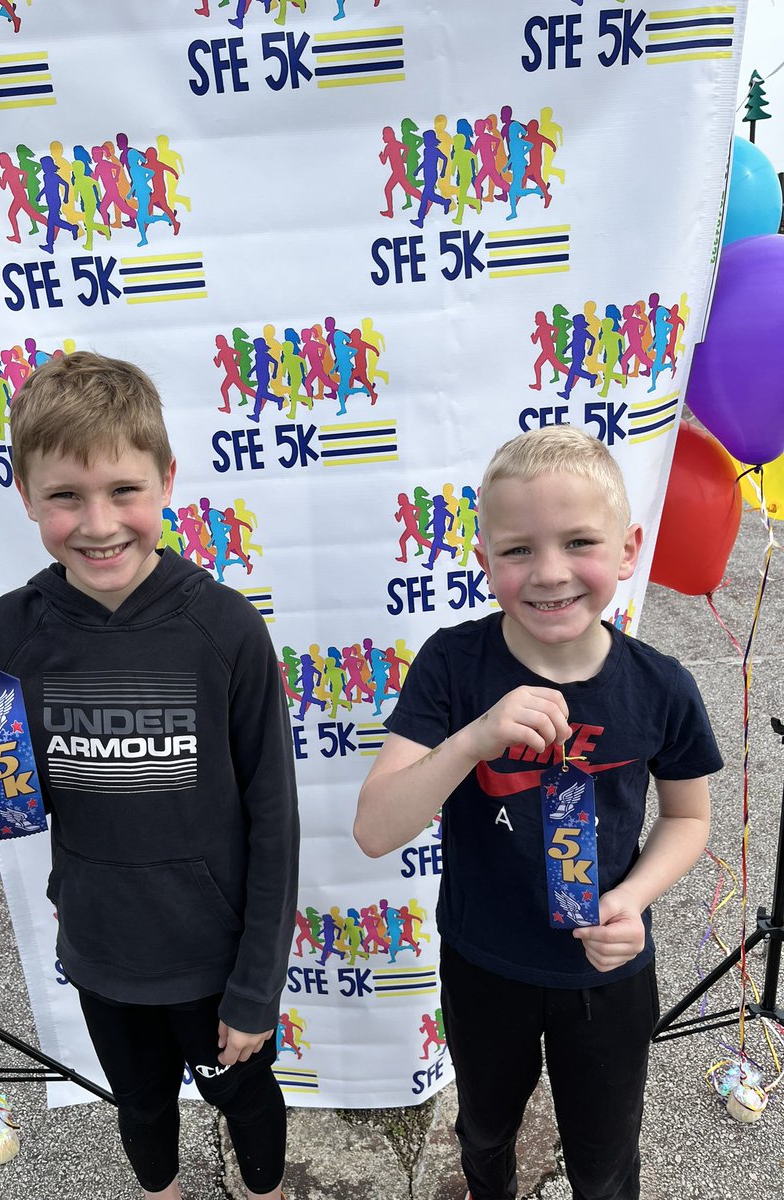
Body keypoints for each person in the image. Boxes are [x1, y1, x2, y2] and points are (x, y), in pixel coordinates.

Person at [0, 351, 299, 1200]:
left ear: (167, 481)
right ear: (27, 498)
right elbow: (15, 806)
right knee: (140, 1107)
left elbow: (274, 818)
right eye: (65, 496)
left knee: (246, 1099)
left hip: (213, 958)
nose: (98, 522)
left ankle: (265, 1192)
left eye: (123, 491)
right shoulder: (6, 632)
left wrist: (256, 988)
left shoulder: (225, 629)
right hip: (103, 950)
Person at [354, 424, 720, 1200]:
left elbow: (689, 819)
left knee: (606, 1153)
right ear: (484, 561)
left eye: (579, 542)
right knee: (485, 1132)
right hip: (486, 962)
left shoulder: (661, 685)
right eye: (518, 549)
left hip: (609, 965)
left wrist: (632, 899)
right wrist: (474, 739)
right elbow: (376, 828)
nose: (550, 573)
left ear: (627, 550)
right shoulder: (454, 664)